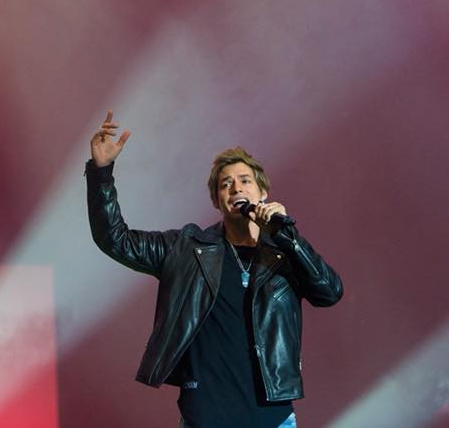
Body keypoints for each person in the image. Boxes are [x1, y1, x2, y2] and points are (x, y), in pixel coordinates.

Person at [86, 111, 343, 428]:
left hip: (273, 419)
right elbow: (116, 240)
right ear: (217, 200)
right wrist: (101, 172)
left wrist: (289, 239)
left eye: (245, 181)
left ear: (262, 193)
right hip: (207, 418)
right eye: (226, 184)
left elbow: (329, 292)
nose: (236, 188)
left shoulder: (284, 254)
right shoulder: (186, 249)